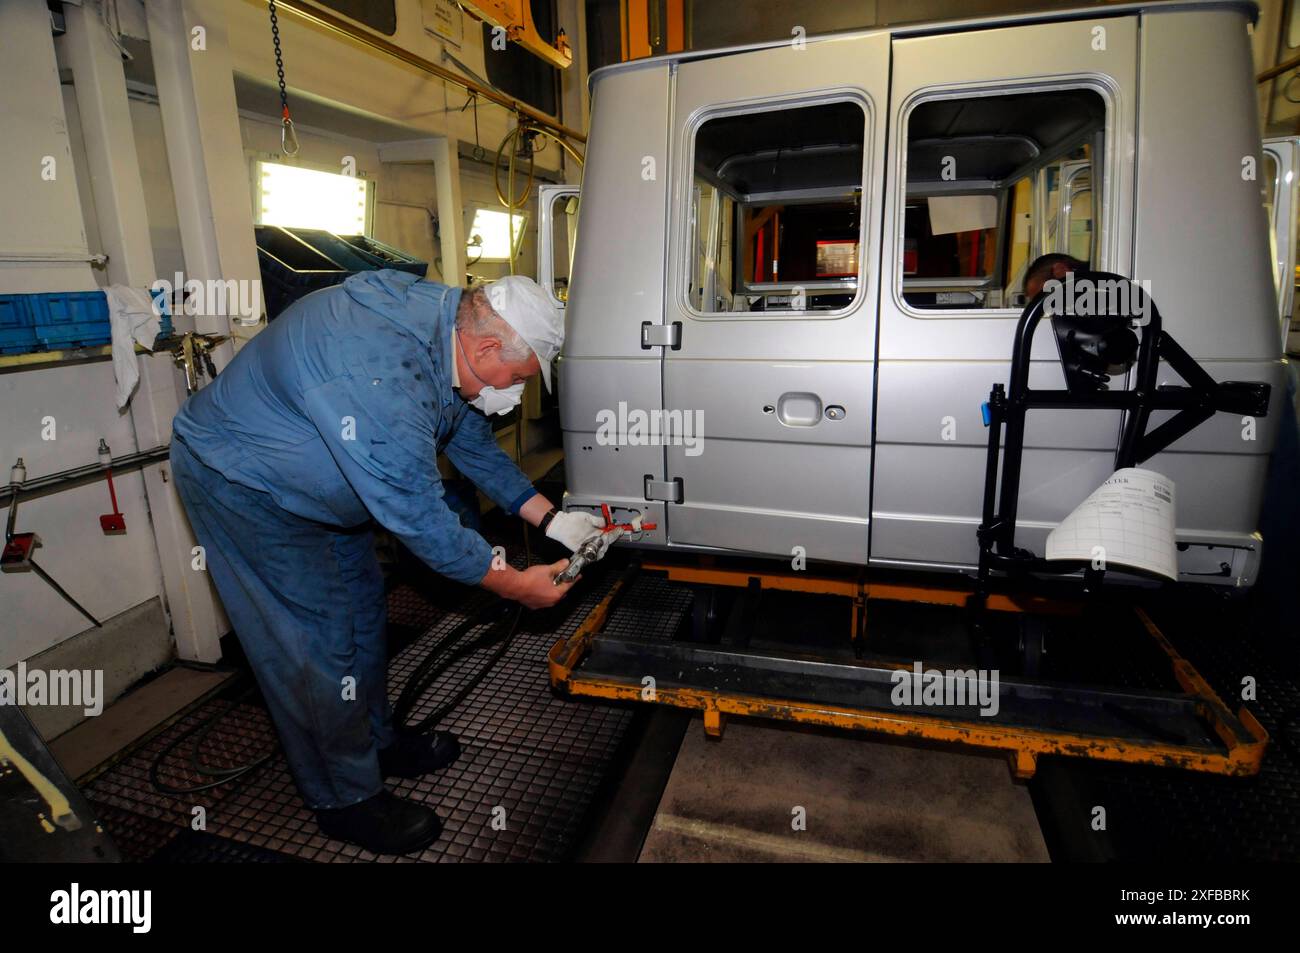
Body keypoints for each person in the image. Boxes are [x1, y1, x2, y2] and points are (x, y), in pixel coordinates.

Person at [169, 270, 606, 854]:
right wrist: (512, 584)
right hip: (248, 489)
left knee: (361, 613)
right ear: (484, 348)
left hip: (328, 493)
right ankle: (345, 799)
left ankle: (373, 742)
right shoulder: (379, 370)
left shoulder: (445, 330)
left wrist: (551, 520)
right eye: (520, 378)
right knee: (315, 643)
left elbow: (468, 440)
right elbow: (420, 517)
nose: (518, 393)